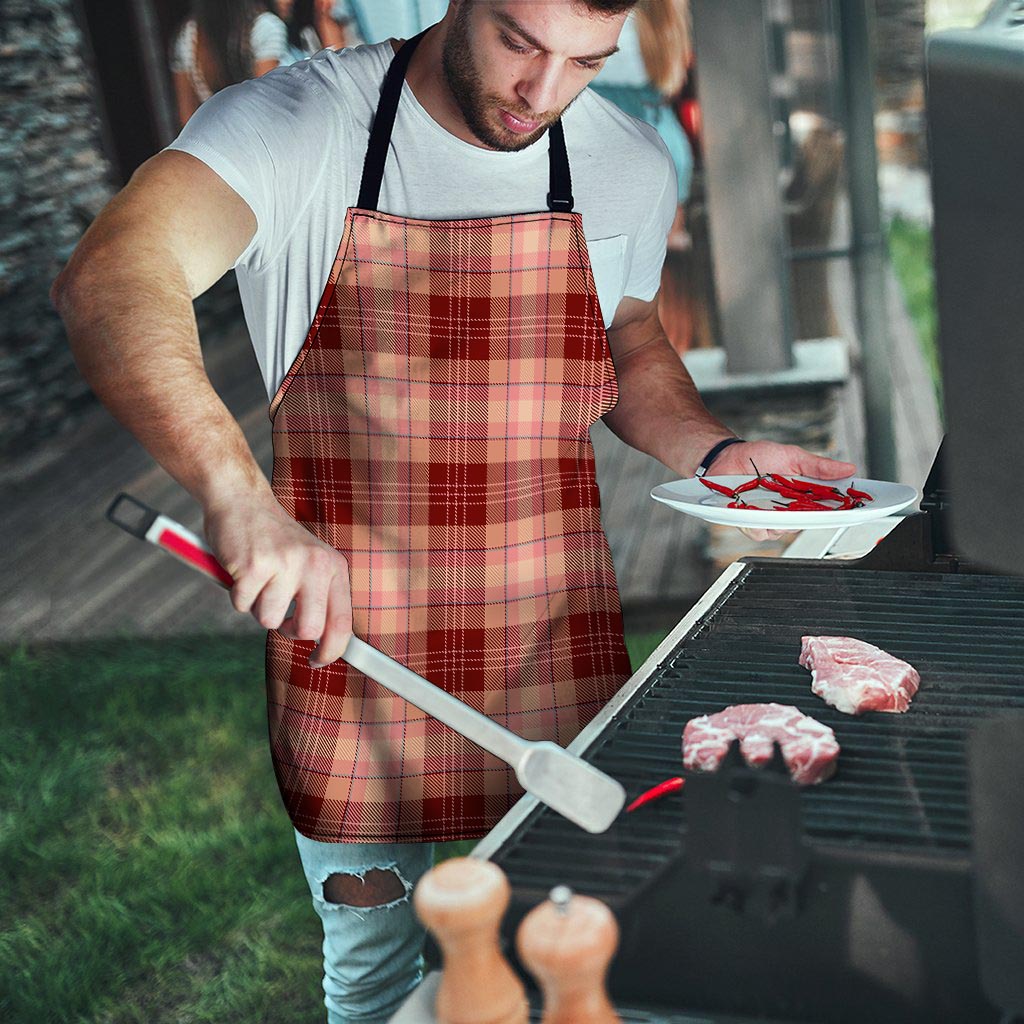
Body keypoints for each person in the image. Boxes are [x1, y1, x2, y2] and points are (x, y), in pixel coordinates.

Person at [52, 2, 856, 1020]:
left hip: (551, 645)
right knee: (380, 979)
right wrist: (237, 497)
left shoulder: (625, 160)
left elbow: (630, 334)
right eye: (521, 43)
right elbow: (112, 275)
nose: (543, 93)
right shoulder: (298, 125)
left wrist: (718, 450)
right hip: (351, 658)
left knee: (571, 954)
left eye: (585, 62)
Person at [171, 0, 288, 126]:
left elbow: (187, 118)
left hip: (215, 138)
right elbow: (266, 104)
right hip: (264, 135)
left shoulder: (187, 36)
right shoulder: (265, 27)